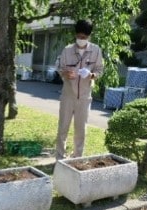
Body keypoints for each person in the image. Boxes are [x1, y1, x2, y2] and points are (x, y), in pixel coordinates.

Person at [55, 20, 104, 160]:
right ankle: (59, 157)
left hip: (84, 96)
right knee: (63, 127)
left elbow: (100, 70)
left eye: (84, 37)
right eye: (79, 36)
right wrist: (65, 73)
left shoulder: (96, 50)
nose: (81, 40)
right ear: (75, 35)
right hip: (68, 94)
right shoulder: (67, 50)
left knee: (81, 129)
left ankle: (77, 156)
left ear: (89, 36)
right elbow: (60, 67)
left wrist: (91, 75)